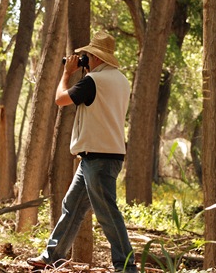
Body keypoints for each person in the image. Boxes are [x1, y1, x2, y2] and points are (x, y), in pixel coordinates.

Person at [27, 31, 138, 273]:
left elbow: (60, 100)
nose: (83, 58)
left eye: (86, 55)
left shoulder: (94, 82)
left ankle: (126, 266)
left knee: (107, 213)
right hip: (103, 154)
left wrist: (67, 74)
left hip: (98, 156)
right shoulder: (120, 79)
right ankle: (52, 256)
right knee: (72, 206)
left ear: (96, 57)